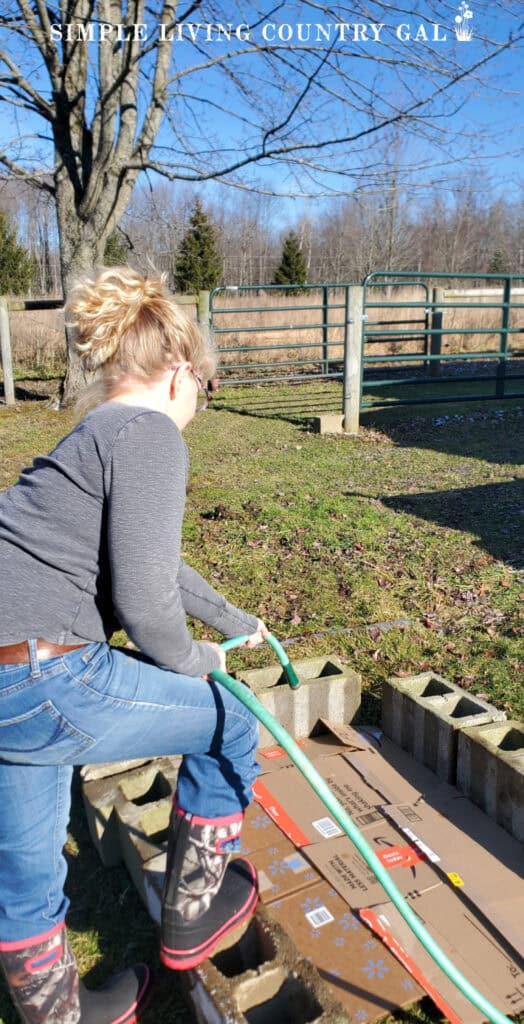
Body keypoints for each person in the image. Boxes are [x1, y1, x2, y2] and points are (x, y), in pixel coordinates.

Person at [0, 267, 268, 1024]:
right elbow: (146, 603)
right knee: (232, 722)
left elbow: (149, 560)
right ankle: (191, 913)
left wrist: (231, 619)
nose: (198, 409)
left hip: (6, 677)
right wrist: (199, 664)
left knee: (23, 872)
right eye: (206, 391)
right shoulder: (148, 432)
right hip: (49, 673)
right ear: (182, 370)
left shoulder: (93, 434)